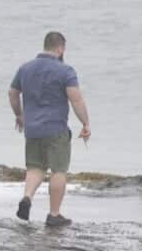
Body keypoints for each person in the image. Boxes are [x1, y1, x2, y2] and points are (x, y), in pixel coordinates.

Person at [8, 31, 91, 227]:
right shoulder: (65, 71)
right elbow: (76, 98)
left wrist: (19, 114)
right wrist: (85, 123)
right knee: (58, 170)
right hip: (55, 129)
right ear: (60, 49)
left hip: (32, 129)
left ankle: (27, 197)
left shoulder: (25, 68)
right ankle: (54, 214)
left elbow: (12, 93)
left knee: (35, 168)